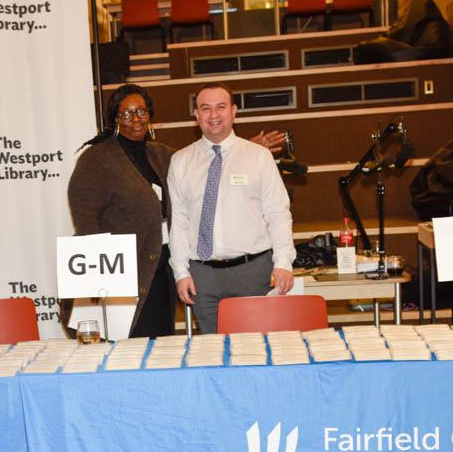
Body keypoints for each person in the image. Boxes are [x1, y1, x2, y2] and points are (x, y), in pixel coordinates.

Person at [66, 84, 287, 338]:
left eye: (141, 111)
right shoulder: (96, 160)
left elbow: (207, 161)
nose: (135, 119)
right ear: (115, 118)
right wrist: (98, 268)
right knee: (124, 345)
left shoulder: (161, 155)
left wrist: (243, 150)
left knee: (160, 344)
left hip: (160, 273)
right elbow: (84, 215)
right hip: (120, 274)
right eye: (126, 113)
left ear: (150, 114)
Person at [168, 82, 295, 334]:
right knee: (213, 351)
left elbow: (278, 213)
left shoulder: (258, 157)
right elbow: (179, 222)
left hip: (253, 272)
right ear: (196, 115)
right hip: (203, 277)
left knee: (256, 350)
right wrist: (181, 273)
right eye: (206, 108)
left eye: (221, 107)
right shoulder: (181, 162)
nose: (213, 115)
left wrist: (283, 262)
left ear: (234, 111)